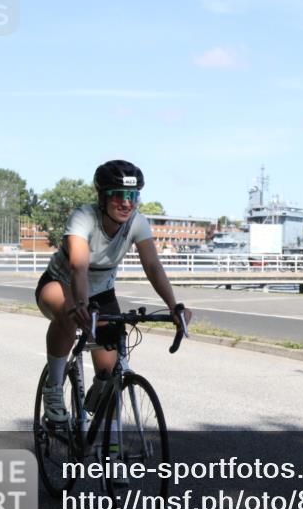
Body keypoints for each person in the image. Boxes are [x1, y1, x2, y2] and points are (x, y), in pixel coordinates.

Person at [35, 160, 192, 423]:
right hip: (61, 284)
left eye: (132, 196)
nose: (126, 202)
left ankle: (100, 437)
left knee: (109, 374)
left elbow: (152, 265)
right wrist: (81, 304)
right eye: (118, 195)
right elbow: (79, 265)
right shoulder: (84, 218)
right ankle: (54, 388)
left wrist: (174, 306)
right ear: (102, 197)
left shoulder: (137, 223)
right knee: (68, 313)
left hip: (102, 293)